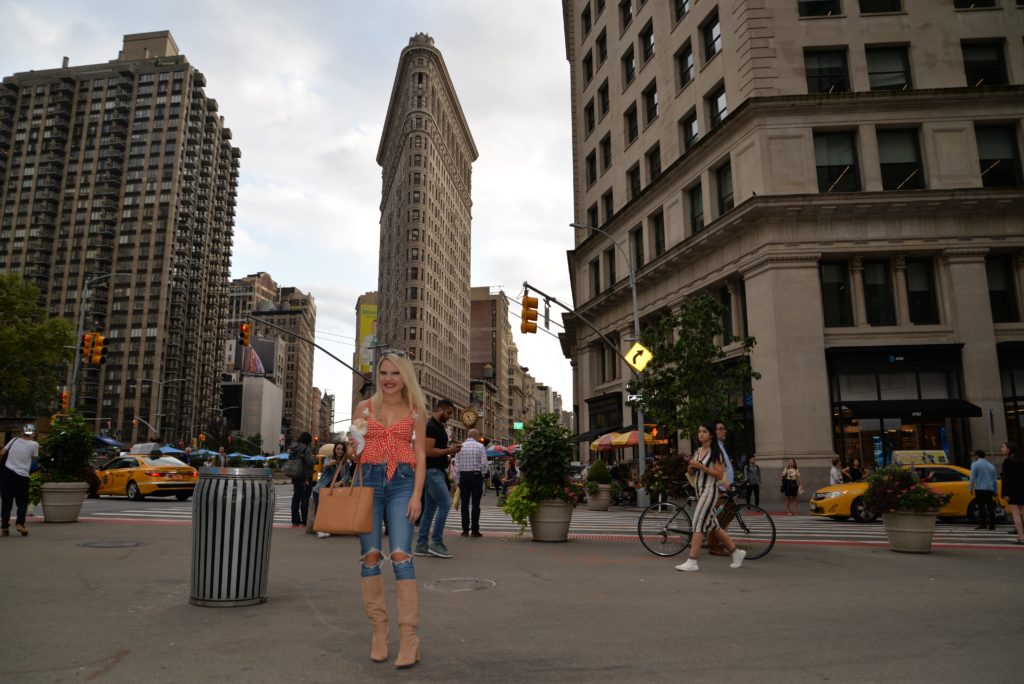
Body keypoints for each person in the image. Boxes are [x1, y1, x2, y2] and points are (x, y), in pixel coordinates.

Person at [354, 351, 426, 668]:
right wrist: (357, 439)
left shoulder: (415, 410)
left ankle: (409, 638)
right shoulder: (364, 407)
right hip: (369, 480)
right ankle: (379, 633)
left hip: (402, 482)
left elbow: (421, 456)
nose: (388, 378)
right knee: (370, 556)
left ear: (404, 376)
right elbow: (356, 454)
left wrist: (417, 496)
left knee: (400, 554)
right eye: (383, 373)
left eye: (395, 373)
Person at [675, 423, 746, 572]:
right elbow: (693, 473)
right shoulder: (698, 451)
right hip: (700, 491)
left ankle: (692, 560)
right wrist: (691, 467)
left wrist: (703, 467)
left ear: (711, 435)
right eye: (699, 431)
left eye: (704, 431)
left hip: (710, 491)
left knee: (698, 522)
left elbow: (719, 474)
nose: (700, 434)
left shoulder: (716, 452)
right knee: (714, 526)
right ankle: (736, 552)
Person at [415, 399, 459, 559]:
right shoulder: (431, 427)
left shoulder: (438, 427)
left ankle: (421, 544)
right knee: (445, 503)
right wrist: (449, 450)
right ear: (440, 410)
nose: (449, 416)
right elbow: (428, 451)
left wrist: (450, 450)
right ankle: (436, 542)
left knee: (430, 509)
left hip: (435, 471)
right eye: (448, 413)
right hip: (432, 471)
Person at [1, 424, 39, 537]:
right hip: (22, 476)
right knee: (22, 502)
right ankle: (20, 524)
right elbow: (33, 458)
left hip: (7, 474)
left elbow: (2, 453)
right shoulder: (34, 444)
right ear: (33, 433)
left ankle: (4, 527)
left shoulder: (14, 440)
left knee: (6, 502)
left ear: (22, 432)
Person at [312, 440, 353, 538]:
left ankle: (329, 528)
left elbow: (348, 477)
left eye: (342, 449)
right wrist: (330, 464)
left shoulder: (346, 464)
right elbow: (325, 467)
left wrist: (339, 483)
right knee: (320, 510)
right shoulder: (329, 459)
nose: (340, 451)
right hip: (321, 489)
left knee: (330, 510)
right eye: (338, 449)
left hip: (335, 491)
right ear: (335, 450)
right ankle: (319, 529)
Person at [708, 420, 736, 555]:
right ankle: (713, 545)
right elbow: (714, 468)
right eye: (721, 428)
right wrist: (723, 483)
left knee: (730, 513)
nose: (724, 431)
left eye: (724, 428)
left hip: (726, 488)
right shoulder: (715, 448)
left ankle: (715, 541)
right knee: (719, 518)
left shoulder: (721, 446)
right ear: (714, 432)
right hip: (719, 488)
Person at [456, 428, 488, 537]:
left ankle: (465, 530)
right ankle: (475, 530)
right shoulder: (480, 446)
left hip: (463, 476)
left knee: (464, 504)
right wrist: (481, 474)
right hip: (476, 475)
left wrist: (457, 480)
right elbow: (484, 463)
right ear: (475, 436)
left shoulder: (460, 447)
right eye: (479, 436)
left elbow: (457, 465)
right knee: (475, 504)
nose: (479, 438)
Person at [1000, 442, 1024, 544]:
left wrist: (1005, 493)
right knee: (1023, 511)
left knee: (1016, 513)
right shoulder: (1021, 460)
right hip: (1022, 489)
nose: (1002, 449)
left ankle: (1021, 537)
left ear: (1009, 449)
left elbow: (1005, 479)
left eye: (1003, 447)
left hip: (1012, 490)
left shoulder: (1007, 461)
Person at [289, 433, 314, 527]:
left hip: (295, 475)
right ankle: (305, 520)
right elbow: (309, 462)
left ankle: (295, 520)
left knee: (296, 498)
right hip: (305, 477)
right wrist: (313, 460)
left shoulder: (293, 448)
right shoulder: (305, 448)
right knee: (305, 499)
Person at [969, 448, 997, 531]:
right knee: (990, 507)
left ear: (977, 455)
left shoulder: (975, 464)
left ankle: (983, 524)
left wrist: (971, 487)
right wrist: (995, 490)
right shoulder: (991, 465)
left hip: (980, 488)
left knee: (981, 507)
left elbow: (972, 477)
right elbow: (994, 479)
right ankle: (992, 525)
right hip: (990, 488)